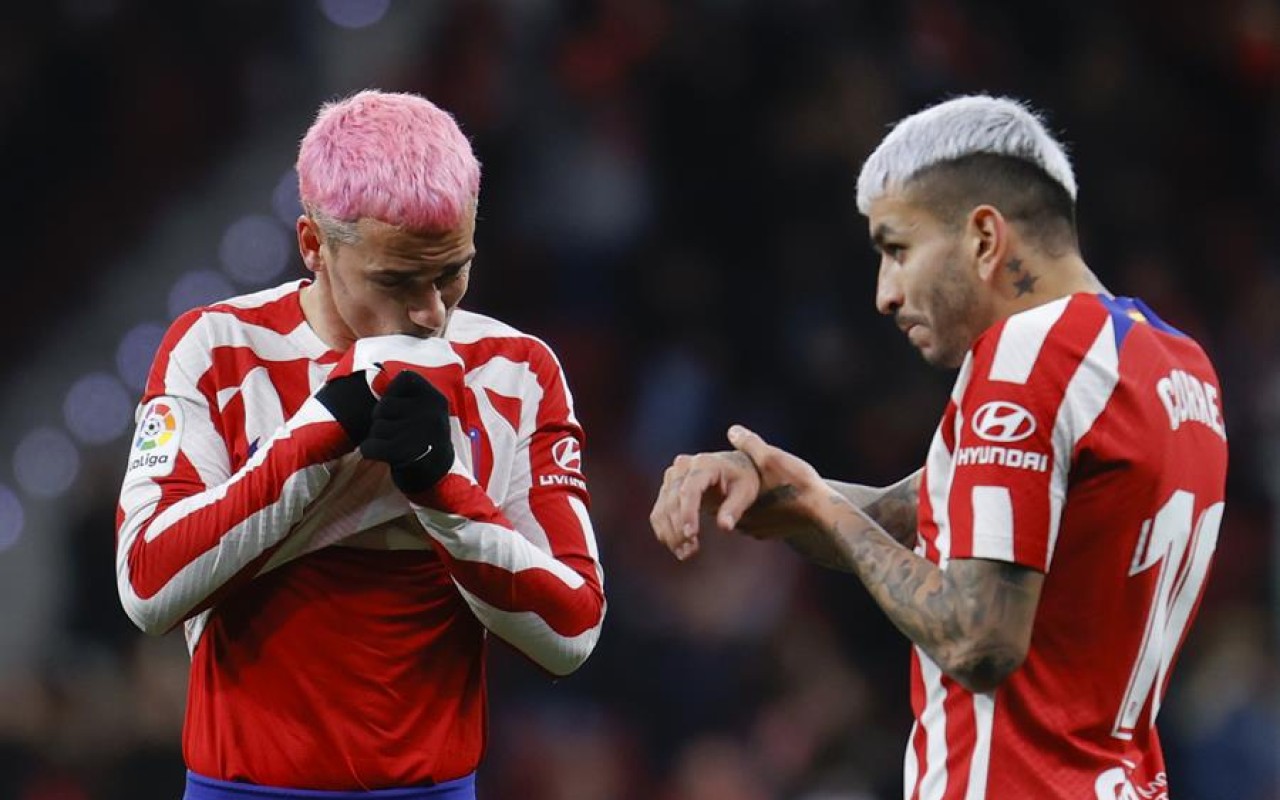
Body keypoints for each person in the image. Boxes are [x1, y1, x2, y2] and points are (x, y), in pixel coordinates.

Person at [650, 95, 1226, 799]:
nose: (884, 294)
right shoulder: (1175, 365)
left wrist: (824, 510)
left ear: (984, 237)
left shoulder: (1027, 356)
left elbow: (978, 639)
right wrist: (785, 489)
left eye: (898, 250)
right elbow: (913, 518)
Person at [116, 89, 606, 800]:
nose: (431, 312)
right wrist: (316, 435)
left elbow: (572, 632)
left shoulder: (518, 371)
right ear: (313, 245)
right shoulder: (217, 348)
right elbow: (148, 588)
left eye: (452, 271)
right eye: (397, 280)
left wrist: (441, 487)